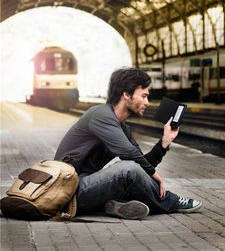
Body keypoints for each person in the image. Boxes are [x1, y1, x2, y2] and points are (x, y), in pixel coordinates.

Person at [54, 67, 202, 219]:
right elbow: (129, 155)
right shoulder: (100, 114)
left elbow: (141, 164)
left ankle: (114, 205)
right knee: (127, 169)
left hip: (85, 186)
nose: (147, 102)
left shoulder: (122, 127)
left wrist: (164, 143)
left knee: (132, 171)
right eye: (144, 96)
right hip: (67, 192)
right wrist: (154, 174)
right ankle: (171, 201)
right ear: (126, 94)